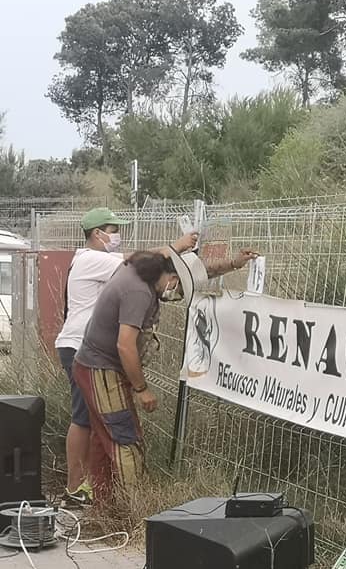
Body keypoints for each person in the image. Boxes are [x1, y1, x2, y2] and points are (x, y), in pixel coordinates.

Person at [72, 246, 258, 502]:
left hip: (93, 365)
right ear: (172, 279)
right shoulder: (138, 292)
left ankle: (105, 506)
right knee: (126, 440)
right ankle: (134, 506)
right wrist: (141, 389)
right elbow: (125, 345)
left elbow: (196, 270)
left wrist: (233, 263)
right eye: (180, 290)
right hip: (102, 370)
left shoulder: (139, 269)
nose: (177, 296)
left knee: (104, 440)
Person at [54, 207, 196, 507]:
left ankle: (92, 489)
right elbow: (137, 259)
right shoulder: (93, 258)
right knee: (83, 419)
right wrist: (177, 246)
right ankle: (76, 487)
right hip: (81, 346)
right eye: (113, 228)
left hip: (86, 347)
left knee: (93, 422)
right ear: (97, 233)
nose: (117, 235)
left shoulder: (99, 262)